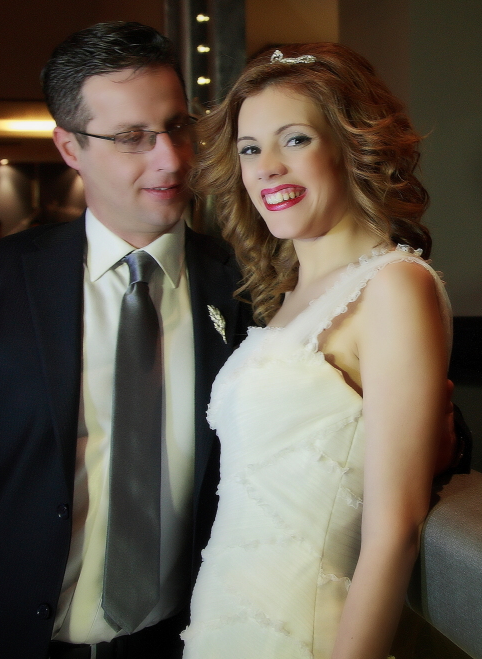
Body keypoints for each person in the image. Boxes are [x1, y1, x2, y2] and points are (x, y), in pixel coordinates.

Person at [0, 22, 249, 658]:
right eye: (132, 137)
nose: (171, 158)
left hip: (175, 643)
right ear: (69, 147)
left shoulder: (243, 284)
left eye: (176, 126)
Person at [180, 44, 451, 659]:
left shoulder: (393, 288)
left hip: (305, 635)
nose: (267, 168)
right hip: (223, 624)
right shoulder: (287, 297)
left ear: (351, 146)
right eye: (250, 149)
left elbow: (395, 531)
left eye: (295, 140)